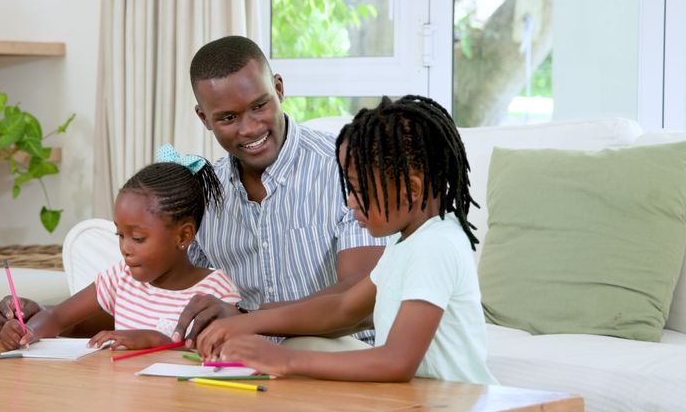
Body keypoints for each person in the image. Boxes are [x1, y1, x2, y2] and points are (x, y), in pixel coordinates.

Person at [0, 35, 384, 349]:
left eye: (259, 106)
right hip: (230, 366)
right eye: (227, 117)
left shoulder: (345, 171)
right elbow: (158, 305)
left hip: (334, 354)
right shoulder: (201, 193)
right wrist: (48, 319)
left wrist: (247, 319)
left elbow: (358, 300)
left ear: (279, 89)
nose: (249, 128)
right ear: (203, 118)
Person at [195, 95, 498, 385]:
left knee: (298, 356)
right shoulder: (406, 242)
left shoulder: (434, 246)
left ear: (412, 190)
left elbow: (397, 362)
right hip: (417, 401)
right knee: (304, 345)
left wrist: (284, 360)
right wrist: (247, 321)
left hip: (455, 404)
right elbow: (343, 308)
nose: (350, 202)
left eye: (359, 190)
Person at [0, 146, 241, 351]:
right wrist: (26, 332)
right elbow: (58, 316)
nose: (125, 248)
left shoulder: (216, 291)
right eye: (120, 235)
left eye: (138, 238)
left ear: (183, 235)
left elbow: (223, 356)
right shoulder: (120, 278)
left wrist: (156, 341)